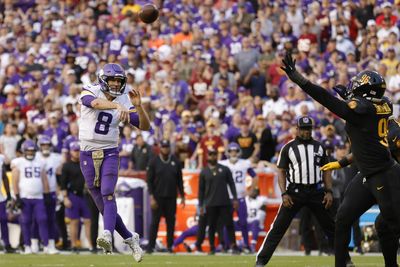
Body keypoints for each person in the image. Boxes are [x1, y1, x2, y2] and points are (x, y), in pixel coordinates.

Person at [281, 53, 400, 267]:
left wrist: (299, 79)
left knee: (387, 226)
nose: (353, 88)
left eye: (357, 86)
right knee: (343, 219)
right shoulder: (384, 104)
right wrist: (343, 162)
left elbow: (326, 99)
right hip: (368, 173)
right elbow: (366, 135)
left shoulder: (360, 110)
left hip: (385, 176)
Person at [78, 63, 150, 262]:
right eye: (113, 80)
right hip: (87, 153)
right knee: (103, 206)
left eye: (119, 81)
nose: (117, 85)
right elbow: (94, 103)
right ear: (103, 80)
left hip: (109, 150)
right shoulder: (90, 90)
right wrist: (117, 105)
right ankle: (129, 237)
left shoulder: (125, 99)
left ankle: (107, 234)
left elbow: (144, 126)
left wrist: (140, 107)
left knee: (108, 192)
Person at [255, 116, 338, 266]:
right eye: (304, 129)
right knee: (278, 228)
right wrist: (284, 193)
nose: (306, 132)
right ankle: (261, 261)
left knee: (331, 227)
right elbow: (281, 171)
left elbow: (327, 171)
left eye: (309, 129)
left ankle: (345, 258)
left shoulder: (320, 147)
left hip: (316, 191)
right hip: (295, 192)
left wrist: (329, 191)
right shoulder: (288, 147)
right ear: (297, 129)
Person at [11, 140, 53, 254]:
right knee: (26, 221)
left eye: (32, 151)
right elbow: (14, 180)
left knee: (43, 219)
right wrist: (17, 196)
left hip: (39, 197)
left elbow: (44, 180)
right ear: (24, 151)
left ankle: (46, 246)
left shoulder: (40, 162)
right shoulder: (18, 162)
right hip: (24, 197)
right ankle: (27, 246)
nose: (30, 153)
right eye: (28, 151)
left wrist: (47, 194)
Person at [146, 139, 185, 253]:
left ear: (169, 147)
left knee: (171, 222)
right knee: (155, 222)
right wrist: (152, 196)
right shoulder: (154, 161)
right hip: (158, 197)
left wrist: (182, 195)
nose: (165, 149)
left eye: (167, 146)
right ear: (160, 148)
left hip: (171, 197)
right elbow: (149, 181)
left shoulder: (175, 161)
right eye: (163, 147)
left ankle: (170, 246)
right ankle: (151, 246)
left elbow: (180, 180)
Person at [198, 148, 239, 255]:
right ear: (207, 156)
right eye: (211, 154)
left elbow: (231, 184)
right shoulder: (204, 171)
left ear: (217, 156)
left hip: (224, 202)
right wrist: (200, 205)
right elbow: (201, 190)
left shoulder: (224, 169)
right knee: (211, 226)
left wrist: (235, 198)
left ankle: (233, 246)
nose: (213, 157)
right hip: (210, 203)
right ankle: (212, 247)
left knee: (229, 224)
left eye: (214, 154)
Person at [219, 142, 257, 251]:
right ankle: (228, 245)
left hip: (240, 198)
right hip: (227, 198)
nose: (233, 153)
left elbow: (255, 177)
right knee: (227, 223)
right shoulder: (223, 164)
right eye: (231, 151)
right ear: (228, 152)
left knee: (243, 223)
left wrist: (250, 191)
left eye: (235, 151)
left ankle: (246, 245)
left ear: (238, 152)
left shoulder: (244, 163)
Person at [31, 136, 62, 253]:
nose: (45, 147)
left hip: (52, 191)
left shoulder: (56, 158)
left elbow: (59, 175)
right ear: (39, 146)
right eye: (43, 145)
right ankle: (34, 243)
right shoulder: (35, 157)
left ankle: (51, 244)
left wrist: (59, 193)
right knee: (36, 219)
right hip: (38, 192)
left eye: (47, 145)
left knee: (51, 219)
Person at [60, 141, 92, 253]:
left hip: (85, 195)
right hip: (72, 195)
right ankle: (74, 245)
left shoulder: (85, 163)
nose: (77, 153)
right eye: (75, 150)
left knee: (88, 221)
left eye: (78, 150)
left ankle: (90, 245)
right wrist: (65, 198)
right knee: (74, 221)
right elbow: (63, 183)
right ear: (70, 152)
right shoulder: (67, 166)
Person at [0, 152, 15, 253]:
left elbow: (4, 177)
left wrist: (9, 194)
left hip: (0, 197)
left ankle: (7, 244)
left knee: (3, 220)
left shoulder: (0, 158)